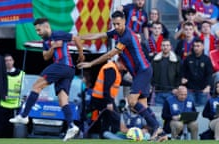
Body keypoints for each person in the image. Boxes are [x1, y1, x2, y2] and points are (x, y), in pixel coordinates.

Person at [77, 11, 165, 141]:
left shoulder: (126, 36)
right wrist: (80, 37)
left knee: (132, 101)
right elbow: (100, 34)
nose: (116, 26)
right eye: (114, 24)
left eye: (118, 23)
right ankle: (161, 133)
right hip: (140, 73)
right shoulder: (117, 32)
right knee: (143, 106)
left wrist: (91, 63)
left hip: (143, 71)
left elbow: (109, 55)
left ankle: (156, 127)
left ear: (124, 21)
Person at [9, 18, 85, 141]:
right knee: (63, 100)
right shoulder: (45, 40)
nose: (38, 32)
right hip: (68, 71)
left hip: (62, 65)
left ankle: (23, 115)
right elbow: (45, 56)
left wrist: (81, 54)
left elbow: (76, 38)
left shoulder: (58, 34)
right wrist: (52, 47)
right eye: (36, 30)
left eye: (39, 29)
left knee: (36, 86)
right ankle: (71, 126)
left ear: (46, 27)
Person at [88, 59, 125, 137]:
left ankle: (104, 136)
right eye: (125, 66)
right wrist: (109, 102)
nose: (126, 68)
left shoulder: (114, 69)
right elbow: (106, 87)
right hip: (101, 98)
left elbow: (118, 82)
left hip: (103, 97)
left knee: (106, 119)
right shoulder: (111, 69)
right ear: (121, 63)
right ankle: (115, 137)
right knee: (115, 118)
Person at [0, 54, 25, 138]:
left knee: (11, 129)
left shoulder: (21, 74)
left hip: (15, 105)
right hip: (2, 104)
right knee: (0, 127)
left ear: (13, 61)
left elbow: (25, 90)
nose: (8, 62)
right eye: (6, 61)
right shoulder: (0, 73)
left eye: (10, 60)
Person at [182, 39, 213, 106]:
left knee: (202, 110)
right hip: (190, 90)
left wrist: (208, 86)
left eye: (198, 46)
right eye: (194, 46)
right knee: (190, 110)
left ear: (203, 47)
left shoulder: (206, 59)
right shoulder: (188, 58)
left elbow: (209, 74)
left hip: (202, 90)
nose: (196, 48)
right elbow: (183, 72)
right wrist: (183, 78)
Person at [151, 39, 181, 106]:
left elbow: (179, 75)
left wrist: (176, 87)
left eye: (167, 45)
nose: (165, 47)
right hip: (158, 91)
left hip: (172, 92)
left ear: (170, 47)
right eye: (163, 45)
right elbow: (151, 74)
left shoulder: (176, 59)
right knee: (158, 113)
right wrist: (152, 85)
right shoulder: (155, 59)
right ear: (161, 47)